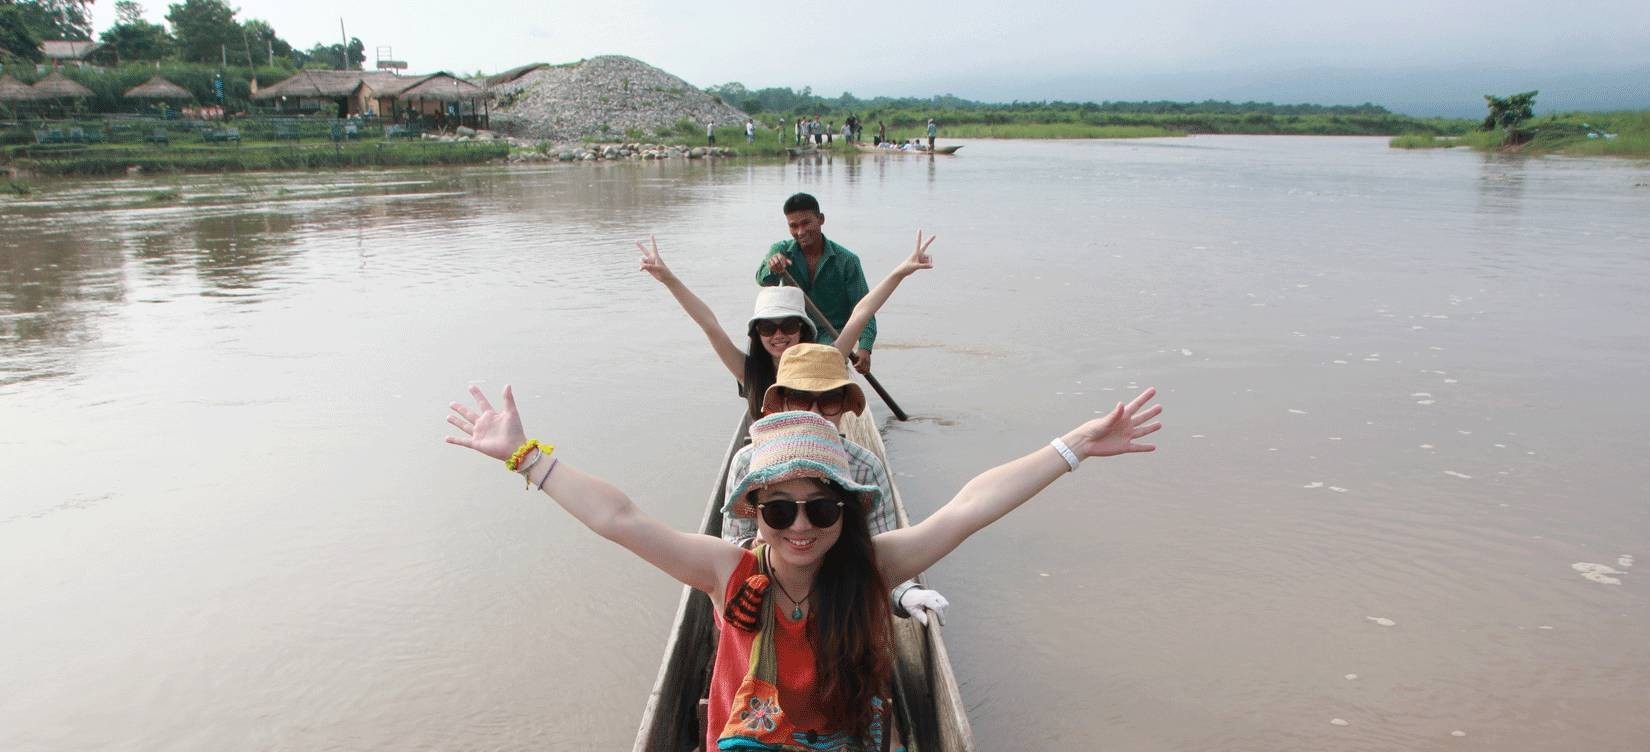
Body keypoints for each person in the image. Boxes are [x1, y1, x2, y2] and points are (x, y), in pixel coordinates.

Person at [444, 385, 1163, 750]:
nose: (801, 528)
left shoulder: (873, 567)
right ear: (753, 510)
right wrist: (525, 456)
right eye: (779, 509)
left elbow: (970, 507)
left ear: (846, 510)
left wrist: (1074, 446)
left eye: (821, 508)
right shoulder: (723, 570)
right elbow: (620, 519)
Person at [726, 341, 950, 625]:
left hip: (839, 602)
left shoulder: (865, 467)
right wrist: (768, 544)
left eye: (829, 400)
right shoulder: (748, 462)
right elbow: (731, 543)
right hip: (766, 599)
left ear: (844, 405)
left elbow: (880, 551)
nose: (815, 412)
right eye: (800, 398)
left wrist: (905, 592)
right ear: (782, 403)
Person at [641, 230, 935, 419]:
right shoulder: (750, 370)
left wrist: (901, 272)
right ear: (757, 334)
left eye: (788, 326)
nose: (778, 335)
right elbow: (709, 324)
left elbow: (861, 313)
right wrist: (668, 278)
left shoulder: (825, 362)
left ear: (803, 330)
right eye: (768, 328)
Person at [758, 193, 880, 374]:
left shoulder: (847, 261)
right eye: (793, 226)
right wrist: (773, 266)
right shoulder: (781, 250)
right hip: (795, 333)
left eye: (806, 223)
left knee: (822, 364)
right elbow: (763, 279)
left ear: (820, 219)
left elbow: (864, 308)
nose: (800, 232)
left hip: (832, 338)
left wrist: (865, 347)